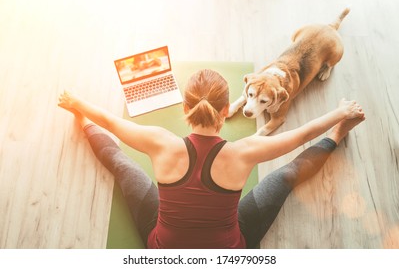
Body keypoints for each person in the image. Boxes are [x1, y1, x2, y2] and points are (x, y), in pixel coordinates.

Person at [58, 69, 365, 249]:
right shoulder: (243, 151)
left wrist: (77, 105)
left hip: (163, 249)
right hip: (228, 252)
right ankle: (338, 134)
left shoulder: (159, 142)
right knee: (286, 177)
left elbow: (110, 122)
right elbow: (300, 135)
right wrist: (341, 113)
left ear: (185, 111)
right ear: (224, 112)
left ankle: (82, 124)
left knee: (123, 166)